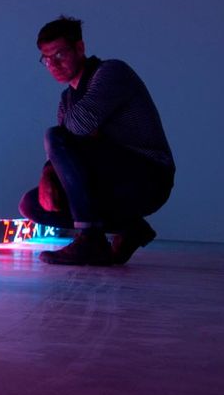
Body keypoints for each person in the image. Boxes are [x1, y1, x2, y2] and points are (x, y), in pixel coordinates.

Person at [19, 16, 175, 265]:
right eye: (46, 59)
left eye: (59, 54)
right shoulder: (66, 99)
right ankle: (131, 228)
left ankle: (90, 238)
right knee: (32, 204)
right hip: (109, 180)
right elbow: (71, 146)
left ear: (79, 48)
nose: (53, 65)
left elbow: (79, 126)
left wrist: (69, 142)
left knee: (55, 135)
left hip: (147, 175)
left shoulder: (111, 72)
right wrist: (48, 171)